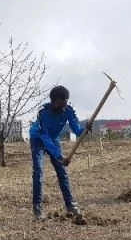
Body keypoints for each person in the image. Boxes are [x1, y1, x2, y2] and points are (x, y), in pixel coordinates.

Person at [29, 86, 92, 220]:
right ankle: (37, 208)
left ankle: (70, 205)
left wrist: (85, 130)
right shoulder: (43, 113)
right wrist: (59, 156)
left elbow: (76, 128)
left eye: (65, 104)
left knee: (62, 172)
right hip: (38, 139)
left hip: (54, 138)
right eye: (60, 105)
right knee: (38, 172)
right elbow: (45, 138)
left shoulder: (67, 110)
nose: (63, 108)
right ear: (53, 102)